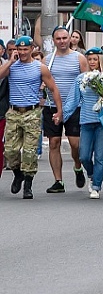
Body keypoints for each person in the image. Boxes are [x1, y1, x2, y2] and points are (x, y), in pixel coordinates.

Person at [0, 36, 62, 199]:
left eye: (25, 49)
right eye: (18, 49)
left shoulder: (40, 68)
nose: (22, 52)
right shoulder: (11, 66)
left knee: (29, 152)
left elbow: (53, 89)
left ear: (32, 49)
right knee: (10, 150)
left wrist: (59, 111)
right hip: (13, 112)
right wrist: (11, 62)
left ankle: (28, 183)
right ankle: (18, 174)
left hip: (32, 112)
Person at [61, 48, 103, 199]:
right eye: (90, 59)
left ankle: (96, 186)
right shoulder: (81, 79)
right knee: (84, 156)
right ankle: (92, 174)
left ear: (100, 60)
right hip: (86, 121)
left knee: (100, 156)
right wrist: (63, 115)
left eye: (95, 59)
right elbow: (73, 99)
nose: (92, 62)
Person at [43, 26, 89, 193]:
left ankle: (78, 166)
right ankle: (58, 181)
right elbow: (43, 80)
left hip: (74, 106)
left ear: (70, 39)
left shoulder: (79, 58)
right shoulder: (48, 60)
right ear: (53, 41)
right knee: (53, 143)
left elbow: (87, 82)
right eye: (58, 39)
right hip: (51, 106)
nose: (62, 41)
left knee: (75, 144)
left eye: (64, 38)